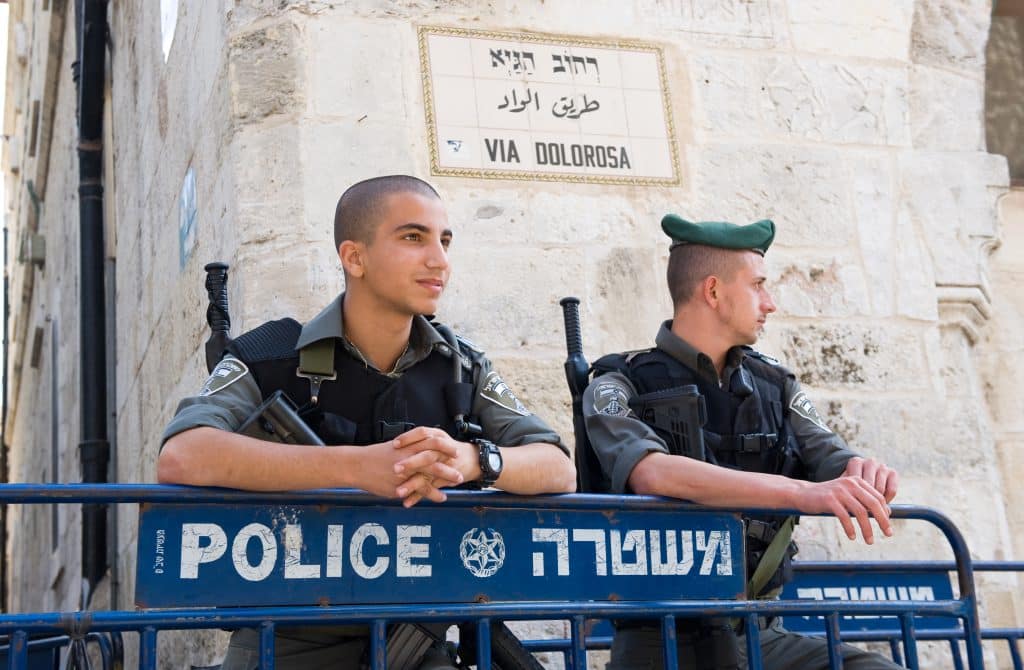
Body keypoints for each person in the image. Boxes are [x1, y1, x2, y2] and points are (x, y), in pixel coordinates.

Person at [158, 175, 576, 670]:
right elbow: (182, 454)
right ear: (354, 258)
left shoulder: (461, 366)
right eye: (413, 238)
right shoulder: (272, 354)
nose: (439, 260)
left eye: (444, 241)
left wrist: (472, 460)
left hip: (416, 638)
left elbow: (556, 466)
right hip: (286, 639)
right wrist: (357, 468)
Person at [581, 216, 900, 670]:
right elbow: (653, 471)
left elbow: (828, 453)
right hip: (664, 639)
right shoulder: (616, 383)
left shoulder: (776, 385)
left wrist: (860, 471)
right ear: (713, 292)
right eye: (758, 285)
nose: (770, 303)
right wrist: (804, 494)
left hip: (762, 633)